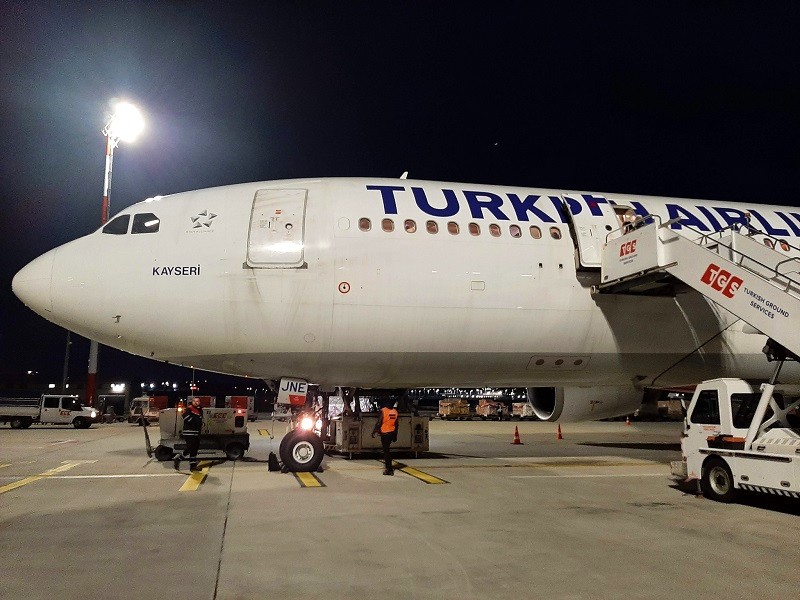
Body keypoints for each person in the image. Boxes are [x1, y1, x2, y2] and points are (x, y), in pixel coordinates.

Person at [372, 399, 399, 475]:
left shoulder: (383, 411)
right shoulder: (395, 411)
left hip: (385, 433)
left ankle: (389, 469)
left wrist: (374, 431)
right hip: (392, 433)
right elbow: (396, 425)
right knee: (387, 450)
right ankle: (389, 468)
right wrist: (395, 436)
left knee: (386, 452)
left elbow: (379, 423)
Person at [181, 397, 204, 471]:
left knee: (194, 449)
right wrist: (194, 423)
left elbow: (199, 420)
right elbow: (185, 417)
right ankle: (180, 458)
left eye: (197, 401)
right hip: (189, 432)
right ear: (192, 402)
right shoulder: (189, 408)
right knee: (191, 448)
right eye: (194, 401)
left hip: (196, 433)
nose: (196, 402)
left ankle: (193, 465)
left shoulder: (199, 410)